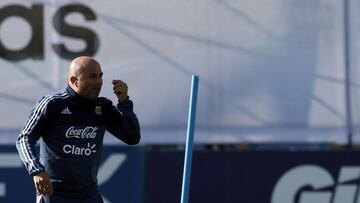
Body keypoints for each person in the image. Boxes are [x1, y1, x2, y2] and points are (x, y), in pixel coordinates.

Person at [16, 56, 141, 203]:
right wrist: (36, 170)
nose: (99, 82)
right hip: (54, 193)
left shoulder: (103, 107)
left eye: (100, 76)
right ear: (74, 81)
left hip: (89, 194)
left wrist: (124, 102)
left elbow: (132, 137)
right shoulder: (52, 104)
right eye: (93, 77)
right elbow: (24, 138)